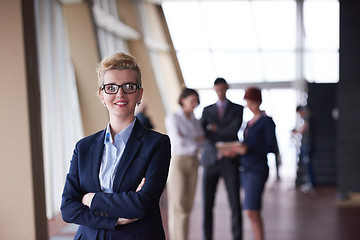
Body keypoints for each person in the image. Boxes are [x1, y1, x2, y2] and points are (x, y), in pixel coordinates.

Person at [60, 52, 171, 240]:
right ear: (101, 95)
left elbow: (142, 204)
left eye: (128, 86)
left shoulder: (157, 144)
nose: (120, 93)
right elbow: (68, 208)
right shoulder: (84, 147)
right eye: (111, 87)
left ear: (139, 94)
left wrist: (90, 199)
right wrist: (115, 219)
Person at [225, 87, 276, 240]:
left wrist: (248, 149)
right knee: (251, 211)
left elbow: (271, 146)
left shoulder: (266, 121)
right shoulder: (249, 123)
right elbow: (247, 145)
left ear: (259, 101)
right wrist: (236, 151)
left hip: (257, 169)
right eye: (248, 102)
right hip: (245, 169)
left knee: (251, 210)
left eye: (252, 102)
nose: (250, 105)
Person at [200, 77, 243, 240]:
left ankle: (237, 237)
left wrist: (215, 128)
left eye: (223, 89)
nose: (220, 92)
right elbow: (204, 133)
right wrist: (224, 129)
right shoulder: (206, 110)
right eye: (218, 90)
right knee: (207, 205)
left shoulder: (237, 109)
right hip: (210, 160)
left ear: (227, 88)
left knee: (235, 203)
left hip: (229, 161)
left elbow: (234, 131)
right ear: (214, 89)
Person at [165, 87, 205, 240]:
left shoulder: (195, 120)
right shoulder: (173, 118)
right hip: (178, 162)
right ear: (183, 100)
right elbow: (178, 141)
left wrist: (192, 139)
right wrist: (196, 140)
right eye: (192, 101)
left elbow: (203, 141)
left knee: (187, 206)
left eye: (196, 101)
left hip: (193, 162)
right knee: (178, 205)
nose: (195, 104)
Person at [292, 105, 316, 192]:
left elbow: (303, 130)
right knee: (307, 164)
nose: (299, 115)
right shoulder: (309, 118)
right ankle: (310, 183)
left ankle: (311, 184)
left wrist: (295, 131)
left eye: (299, 113)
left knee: (308, 164)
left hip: (308, 144)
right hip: (309, 144)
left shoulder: (308, 118)